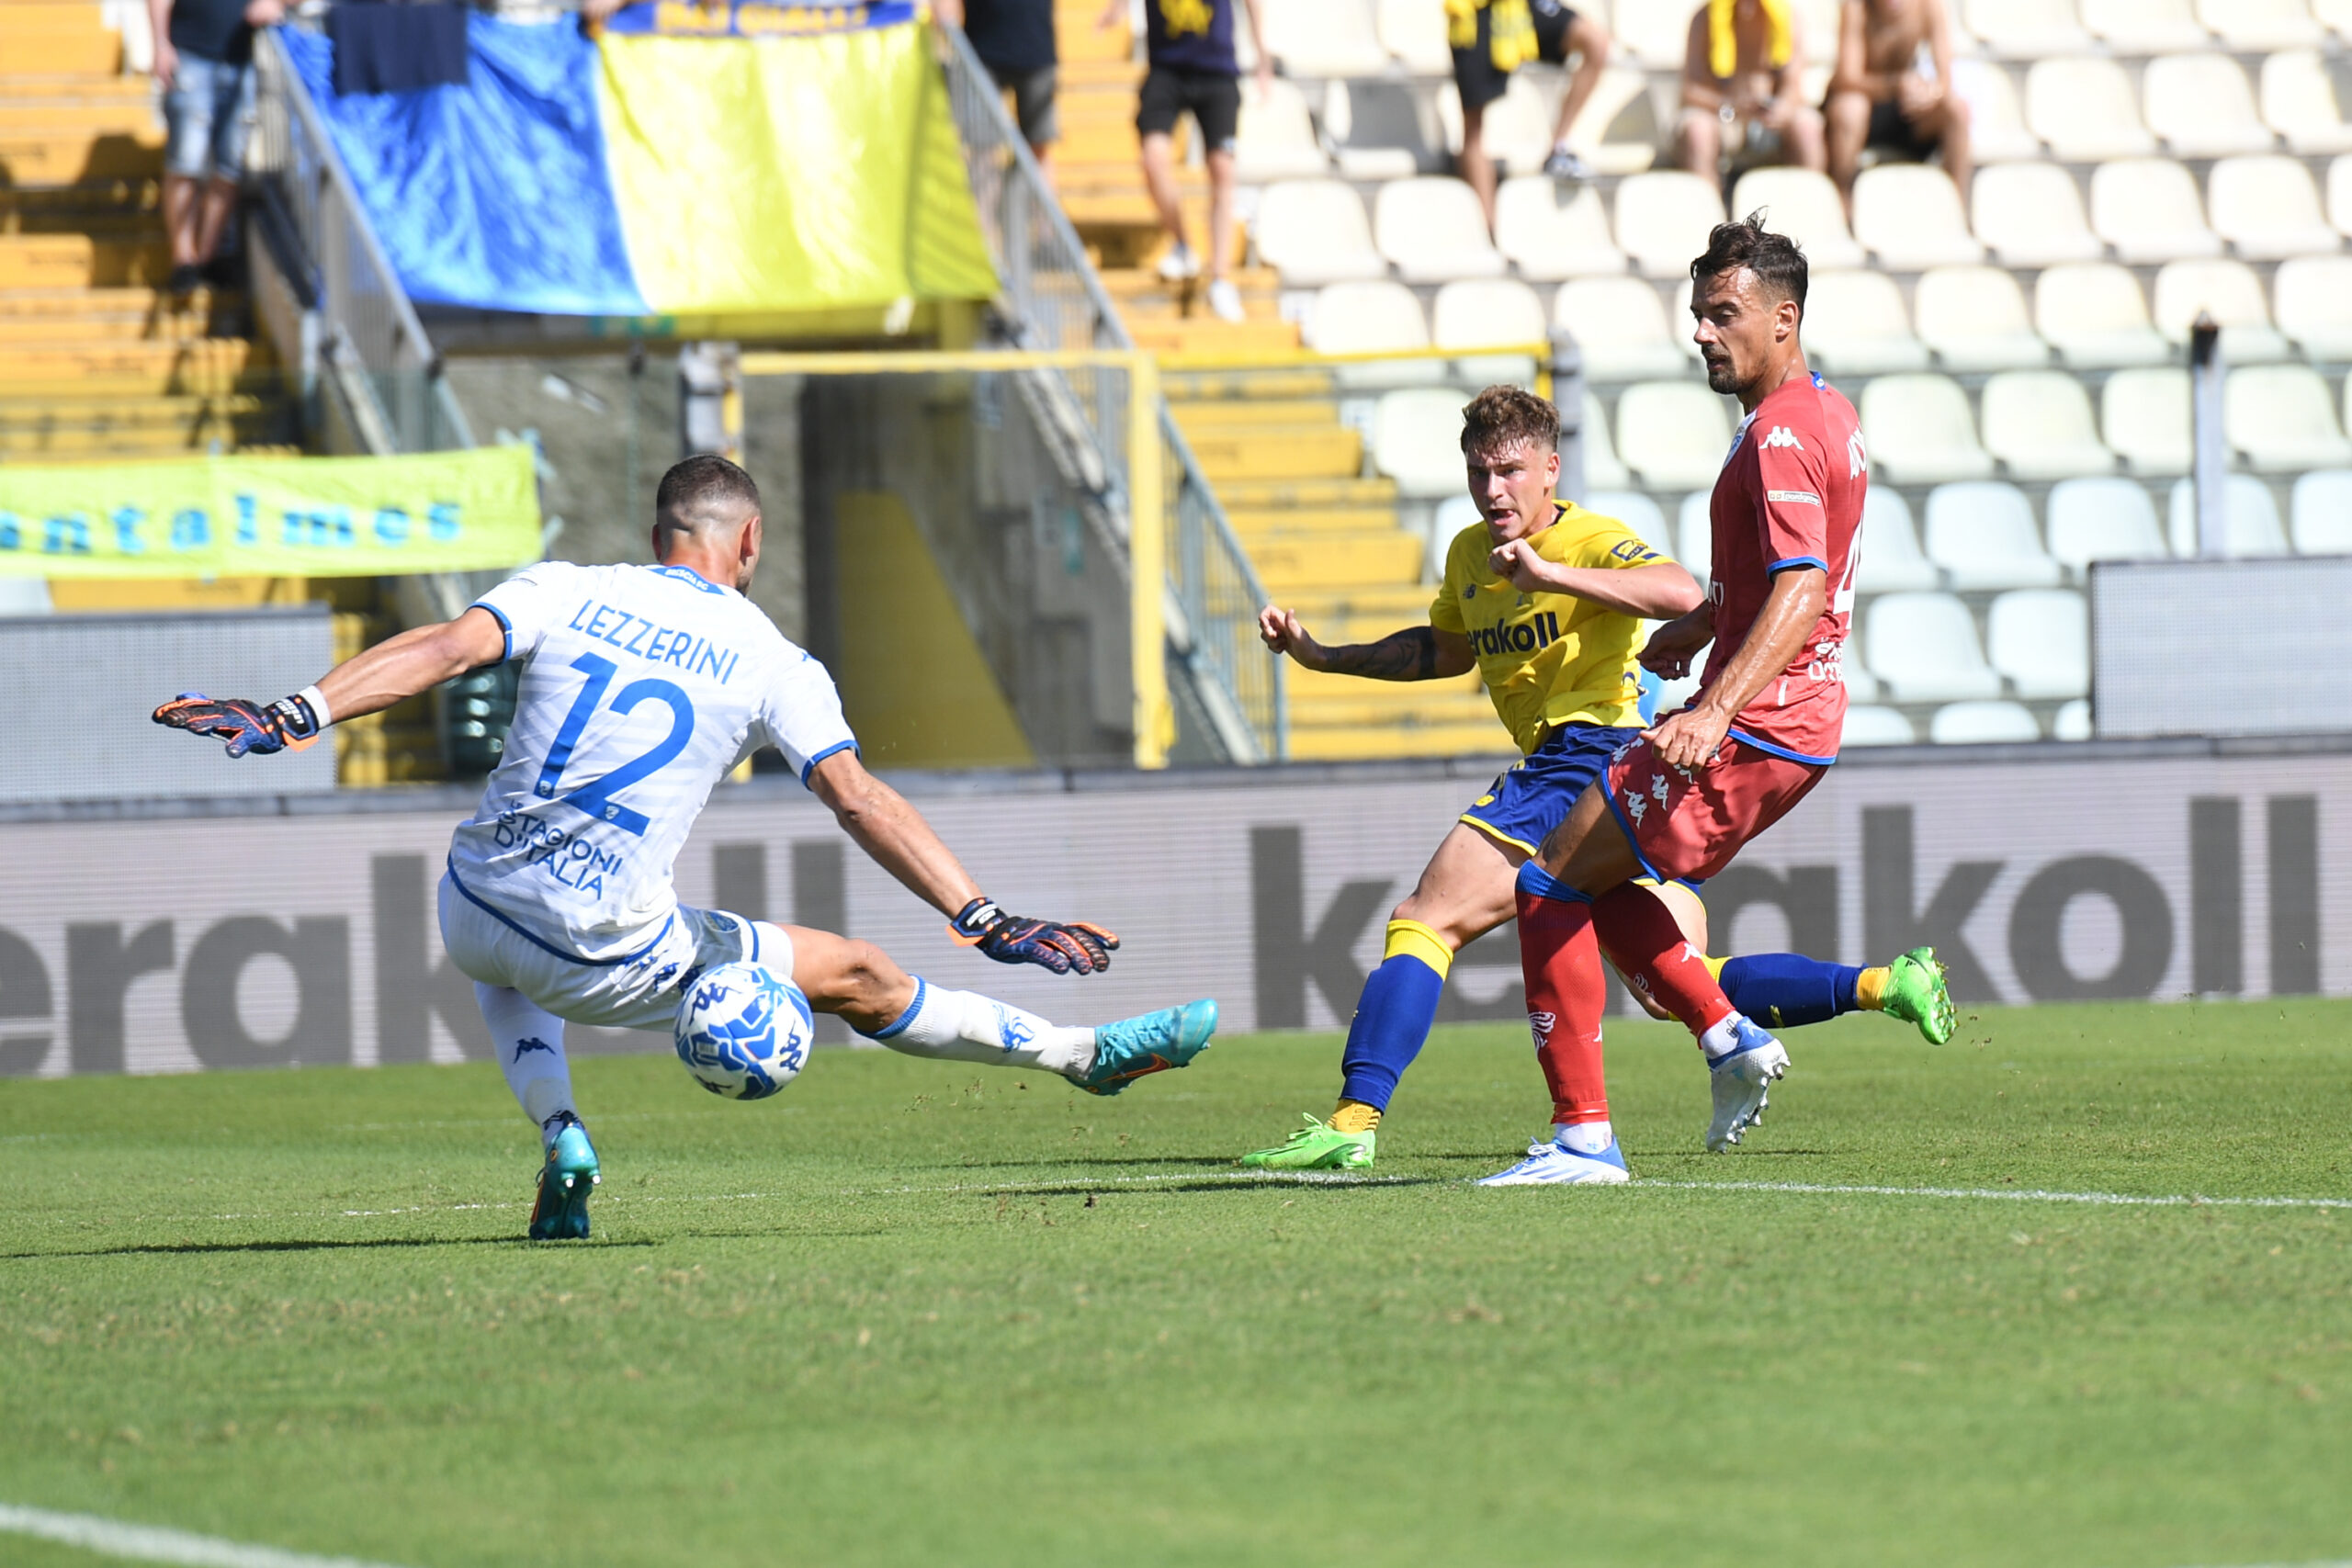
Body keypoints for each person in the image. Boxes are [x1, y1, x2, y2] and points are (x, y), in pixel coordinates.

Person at [153, 456, 1217, 1240]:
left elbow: (440, 650)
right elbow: (855, 797)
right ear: (747, 544)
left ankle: (562, 1132)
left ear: (659, 531)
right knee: (855, 974)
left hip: (471, 908)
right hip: (608, 952)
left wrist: (295, 713)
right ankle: (1084, 1058)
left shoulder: (565, 586)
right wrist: (983, 916)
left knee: (501, 949)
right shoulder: (770, 657)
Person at [1238, 385, 1951, 1179]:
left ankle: (1357, 1119)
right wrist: (1323, 656)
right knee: (1667, 976)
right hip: (1597, 764)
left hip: (1589, 749)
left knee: (1425, 919)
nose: (1492, 489)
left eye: (1510, 470)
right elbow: (1447, 649)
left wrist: (1553, 577)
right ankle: (1868, 988)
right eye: (1478, 472)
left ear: (1551, 469)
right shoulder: (1471, 557)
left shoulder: (1587, 539)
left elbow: (1684, 593)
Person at [1500, 215, 1860, 1187]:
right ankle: (1724, 1033)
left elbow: (1802, 587)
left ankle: (1584, 1138)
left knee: (1545, 883)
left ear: (1782, 320)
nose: (1703, 332)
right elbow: (1783, 575)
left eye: (1723, 314)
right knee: (1594, 880)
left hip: (1753, 723)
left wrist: (1713, 706)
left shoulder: (1780, 435)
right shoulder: (1826, 412)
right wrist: (1704, 624)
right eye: (1698, 314)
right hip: (1795, 718)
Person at [1099, 0, 1272, 323]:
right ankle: (1183, 243)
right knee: (1153, 157)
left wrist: (1263, 55)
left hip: (1217, 70)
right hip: (1167, 68)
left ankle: (1220, 278)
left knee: (1223, 169)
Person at [148, 0, 283, 295]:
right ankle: (183, 260)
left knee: (229, 168)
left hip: (241, 59)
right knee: (186, 161)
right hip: (189, 54)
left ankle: (206, 258)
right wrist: (160, 45)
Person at [1447, 0, 1616, 230]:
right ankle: (1489, 232)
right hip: (1475, 9)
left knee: (1595, 42)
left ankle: (1558, 147)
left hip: (1521, 6)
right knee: (1474, 129)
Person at [1825, 0, 1969, 209]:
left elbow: (1945, 81)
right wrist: (1894, 85)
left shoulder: (1928, 7)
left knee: (1956, 109)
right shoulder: (1856, 9)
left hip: (1903, 108)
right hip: (1864, 106)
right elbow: (1846, 78)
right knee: (1851, 107)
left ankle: (1956, 206)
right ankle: (1842, 203)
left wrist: (1930, 94)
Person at [1676, 0, 1826, 179]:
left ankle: (1809, 203)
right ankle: (1707, 204)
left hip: (1769, 119)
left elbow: (1792, 86)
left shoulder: (1788, 17)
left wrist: (1781, 108)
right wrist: (1729, 106)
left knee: (1807, 127)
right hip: (1723, 116)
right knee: (1698, 130)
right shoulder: (1704, 18)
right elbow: (1691, 90)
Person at [936, 0, 1061, 185]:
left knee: (1038, 149)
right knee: (982, 150)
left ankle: (1033, 212)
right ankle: (983, 213)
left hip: (1038, 54)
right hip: (981, 57)